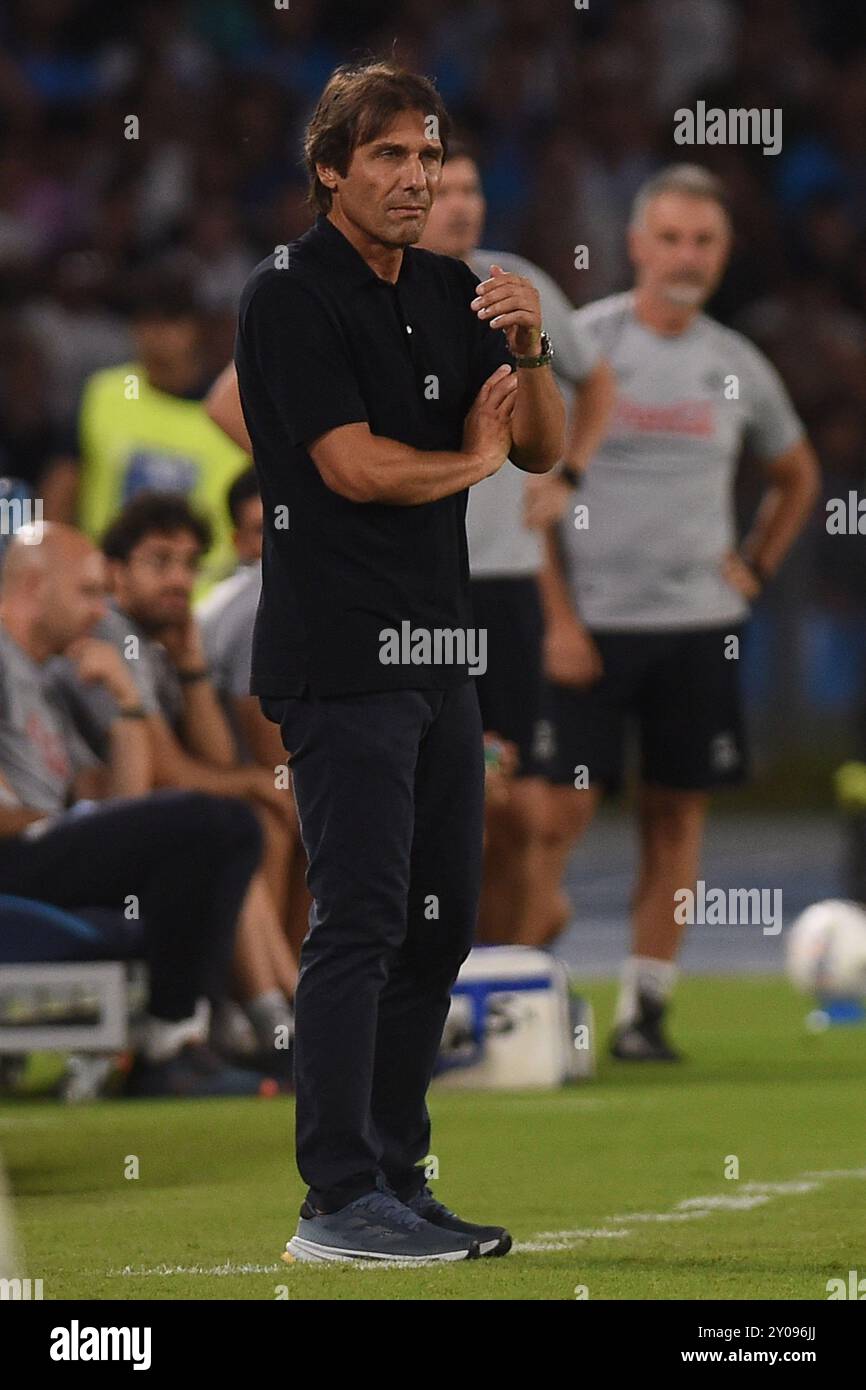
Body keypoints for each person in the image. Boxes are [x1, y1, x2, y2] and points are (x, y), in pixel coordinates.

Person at [234, 60, 563, 1264]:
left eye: (428, 156)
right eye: (389, 156)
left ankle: (395, 1174)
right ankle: (333, 1200)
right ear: (330, 168)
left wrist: (527, 352)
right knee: (361, 917)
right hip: (339, 653)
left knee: (437, 928)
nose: (415, 177)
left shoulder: (454, 287)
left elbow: (538, 452)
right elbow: (352, 467)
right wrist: (473, 461)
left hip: (437, 652)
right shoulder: (287, 294)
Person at [537, 164, 820, 1061]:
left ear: (724, 252)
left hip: (700, 629)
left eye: (704, 241)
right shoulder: (583, 347)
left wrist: (756, 567)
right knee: (551, 817)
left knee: (677, 818)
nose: (686, 256)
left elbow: (798, 474)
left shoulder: (735, 364)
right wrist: (557, 619)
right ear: (635, 245)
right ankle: (529, 997)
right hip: (589, 627)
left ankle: (644, 1009)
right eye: (671, 238)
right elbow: (531, 490)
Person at [416, 142, 615, 947]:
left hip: (505, 585)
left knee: (530, 803)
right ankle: (452, 971)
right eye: (444, 190)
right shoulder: (376, 292)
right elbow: (236, 402)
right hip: (420, 584)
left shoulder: (514, 288)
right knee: (451, 797)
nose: (462, 204)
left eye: (471, 188)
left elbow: (595, 380)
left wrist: (572, 473)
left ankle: (513, 983)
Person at [0, 524, 277, 1099]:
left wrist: (126, 703)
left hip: (45, 845)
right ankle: (173, 1035)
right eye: (86, 592)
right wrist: (49, 823)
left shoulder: (43, 679)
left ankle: (185, 1032)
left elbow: (116, 803)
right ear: (31, 586)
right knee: (213, 822)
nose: (100, 609)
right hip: (13, 854)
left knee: (214, 830)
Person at [53, 492, 300, 1070]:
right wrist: (257, 783)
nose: (179, 580)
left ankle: (270, 1005)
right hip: (92, 819)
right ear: (115, 574)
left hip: (125, 814)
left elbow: (209, 755)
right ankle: (274, 1010)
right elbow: (169, 768)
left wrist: (191, 664)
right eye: (159, 562)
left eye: (189, 564)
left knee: (255, 821)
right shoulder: (112, 634)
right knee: (231, 827)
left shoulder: (157, 643)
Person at [51, 269, 250, 588]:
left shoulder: (232, 409)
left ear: (197, 329)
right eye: (145, 321)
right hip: (108, 595)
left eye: (171, 322)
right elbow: (60, 492)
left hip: (202, 600)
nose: (156, 336)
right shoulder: (104, 394)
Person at [196, 470, 311, 963]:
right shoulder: (262, 605)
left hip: (236, 777)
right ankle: (292, 994)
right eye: (265, 529)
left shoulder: (283, 596)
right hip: (231, 780)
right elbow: (276, 758)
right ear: (239, 541)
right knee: (295, 816)